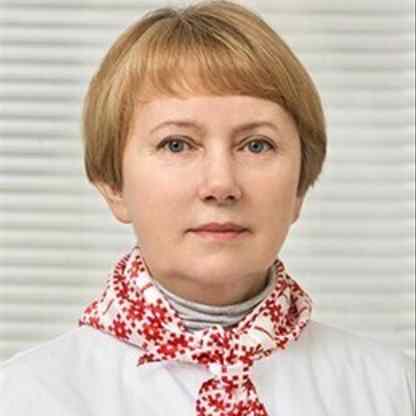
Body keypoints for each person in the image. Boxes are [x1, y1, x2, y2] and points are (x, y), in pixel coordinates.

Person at [0, 1, 414, 415]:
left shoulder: (391, 389)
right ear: (114, 185)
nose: (221, 185)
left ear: (299, 188)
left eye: (257, 145)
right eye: (176, 144)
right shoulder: (27, 397)